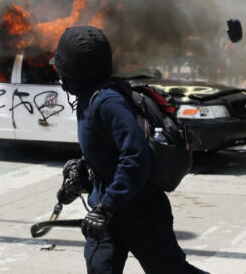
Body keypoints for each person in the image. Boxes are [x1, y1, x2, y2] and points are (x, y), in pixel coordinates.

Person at [50, 26, 206, 274]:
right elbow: (108, 153)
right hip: (107, 218)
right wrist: (83, 171)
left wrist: (106, 206)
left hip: (140, 214)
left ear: (70, 72)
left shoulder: (106, 102)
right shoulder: (86, 96)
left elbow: (136, 156)